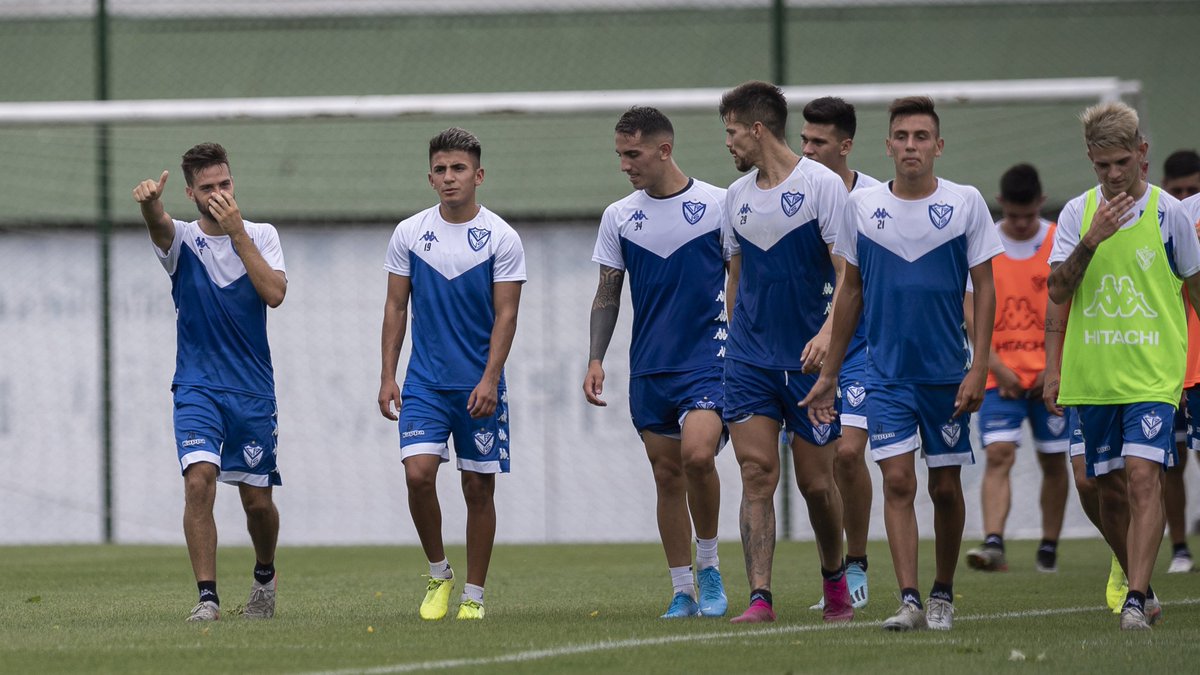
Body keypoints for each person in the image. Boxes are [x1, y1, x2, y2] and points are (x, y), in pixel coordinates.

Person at [803, 96, 1003, 632]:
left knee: (943, 487)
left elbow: (984, 289)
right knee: (897, 482)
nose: (911, 146)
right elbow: (850, 292)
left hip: (945, 375)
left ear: (938, 145)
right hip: (884, 375)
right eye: (902, 136)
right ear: (888, 144)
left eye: (921, 136)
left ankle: (943, 592)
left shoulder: (965, 203)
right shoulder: (862, 208)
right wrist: (830, 374)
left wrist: (978, 364)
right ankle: (911, 600)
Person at [1046, 101, 1200, 630]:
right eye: (1102, 165)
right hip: (1094, 377)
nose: (1113, 176)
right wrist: (1092, 240)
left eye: (1122, 163)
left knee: (1142, 479)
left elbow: (1196, 288)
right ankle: (1144, 582)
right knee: (1100, 488)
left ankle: (1134, 599)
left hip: (1154, 376)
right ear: (1091, 159)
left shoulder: (1169, 214)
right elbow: (1058, 289)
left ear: (1142, 154)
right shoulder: (1075, 214)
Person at [582, 106, 729, 619]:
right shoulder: (619, 216)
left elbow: (744, 281)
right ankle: (682, 589)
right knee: (666, 476)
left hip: (710, 360)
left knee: (698, 456)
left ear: (664, 150)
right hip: (651, 367)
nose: (625, 164)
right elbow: (607, 293)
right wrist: (596, 357)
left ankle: (709, 565)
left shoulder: (718, 205)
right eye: (620, 154)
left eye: (633, 154)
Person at [133, 142, 286, 622]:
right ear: (191, 193)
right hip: (197, 387)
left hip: (252, 390)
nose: (218, 193)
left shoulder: (261, 234)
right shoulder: (181, 240)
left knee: (257, 503)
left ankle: (264, 575)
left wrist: (239, 233)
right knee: (199, 482)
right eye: (208, 188)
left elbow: (275, 294)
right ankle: (208, 599)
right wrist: (149, 204)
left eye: (224, 184)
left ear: (233, 183)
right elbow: (159, 226)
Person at [717, 81, 852, 625]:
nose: (727, 144)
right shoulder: (735, 197)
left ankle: (836, 578)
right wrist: (733, 338)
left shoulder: (823, 186)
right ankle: (760, 597)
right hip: (749, 360)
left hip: (808, 362)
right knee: (755, 473)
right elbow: (736, 273)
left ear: (756, 128)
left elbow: (848, 276)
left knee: (818, 484)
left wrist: (827, 335)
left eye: (730, 132)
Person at [378, 127, 526, 621]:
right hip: (424, 383)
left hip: (478, 384)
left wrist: (489, 379)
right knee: (418, 474)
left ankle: (474, 596)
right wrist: (387, 375)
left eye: (458, 168)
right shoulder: (409, 232)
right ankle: (439, 573)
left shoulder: (502, 237)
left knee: (477, 488)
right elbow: (396, 307)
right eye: (440, 169)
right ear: (430, 177)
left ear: (478, 175)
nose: (449, 177)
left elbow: (507, 315)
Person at [964, 164, 1069, 574]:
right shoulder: (984, 242)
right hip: (998, 375)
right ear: (1001, 204)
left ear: (1040, 203)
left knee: (1054, 460)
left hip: (1052, 376)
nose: (1023, 224)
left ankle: (1049, 547)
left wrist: (1054, 367)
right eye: (1014, 215)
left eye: (1029, 215)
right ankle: (993, 542)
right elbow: (970, 310)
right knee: (999, 454)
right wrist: (994, 364)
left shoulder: (1060, 238)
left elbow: (1074, 305)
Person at [799, 96, 880, 611]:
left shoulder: (874, 198)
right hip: (810, 352)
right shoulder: (795, 195)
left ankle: (858, 566)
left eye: (819, 142)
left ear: (846, 146)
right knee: (820, 472)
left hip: (864, 346)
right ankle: (832, 580)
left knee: (849, 453)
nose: (806, 151)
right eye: (803, 140)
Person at [1162, 149, 1200, 574]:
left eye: (1193, 188)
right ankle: (1179, 549)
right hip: (1165, 360)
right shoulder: (1162, 222)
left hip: (1198, 363)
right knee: (1169, 459)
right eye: (1178, 191)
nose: (1186, 197)